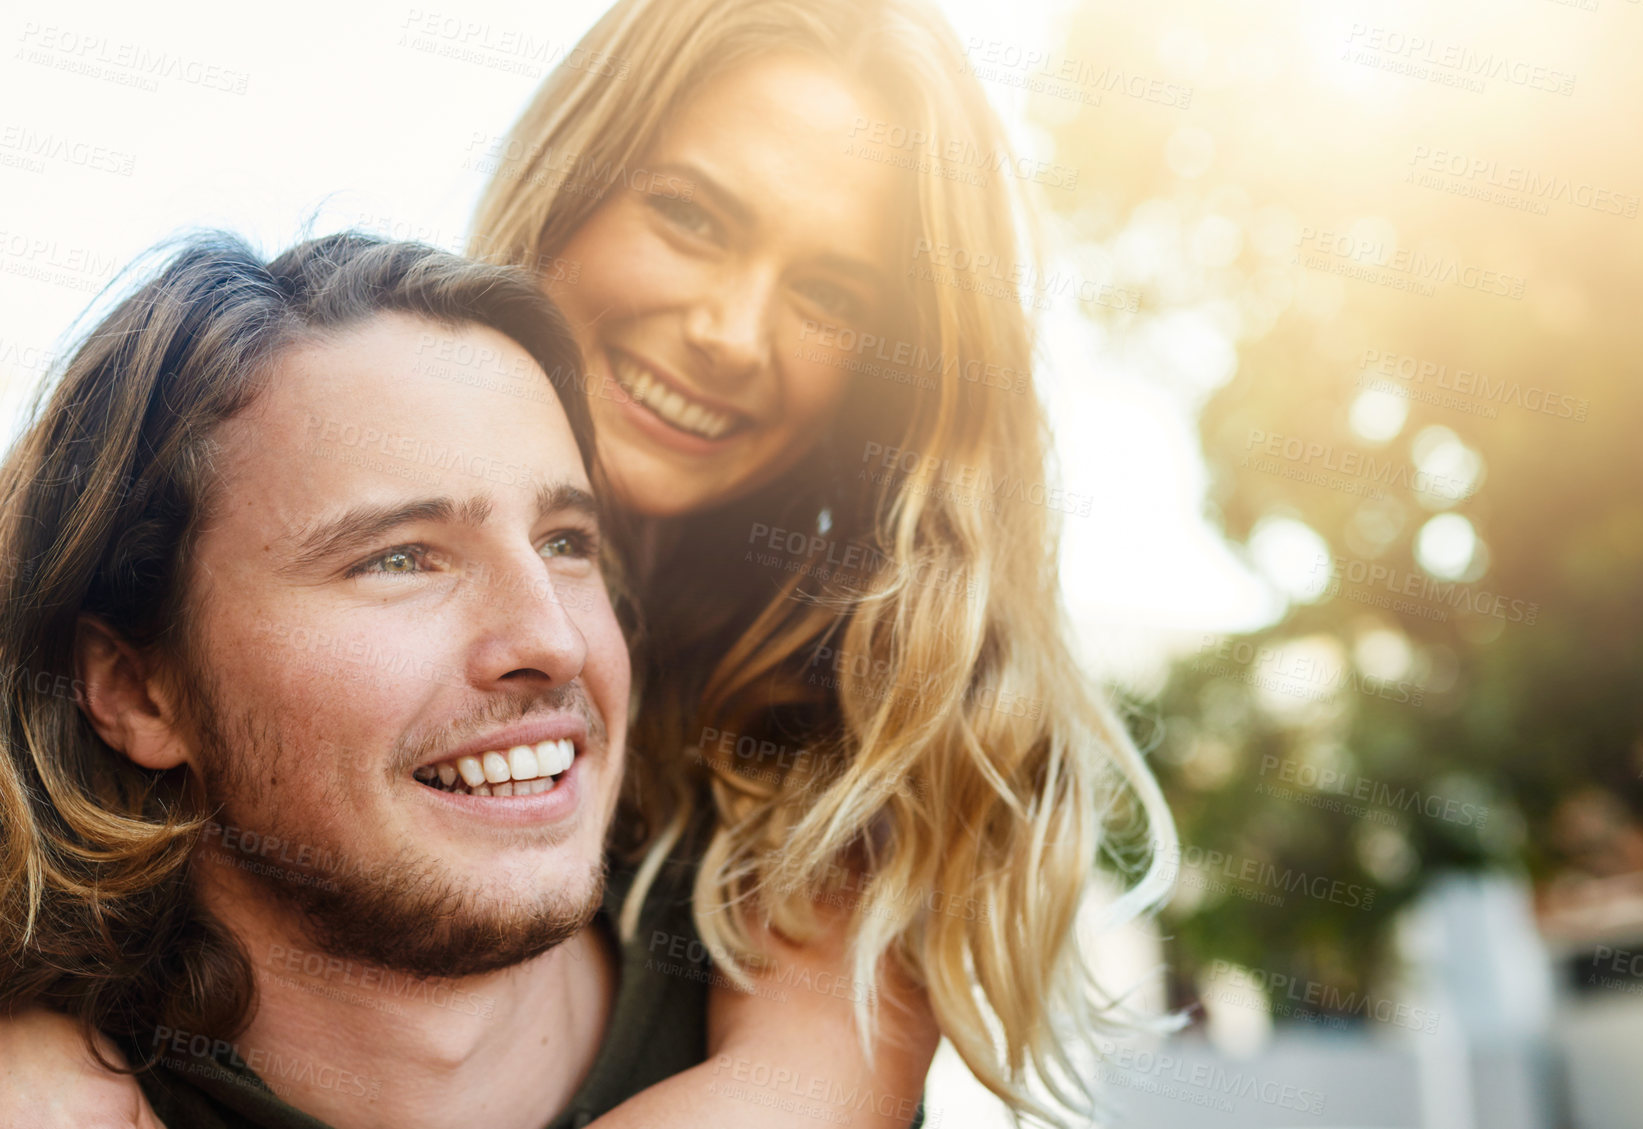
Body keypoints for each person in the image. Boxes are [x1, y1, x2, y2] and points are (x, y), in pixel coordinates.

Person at [2, 0, 1178, 1123]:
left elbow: (800, 1090)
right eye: (692, 218)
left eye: (827, 291)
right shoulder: (283, 401)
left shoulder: (838, 727)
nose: (729, 330)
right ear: (571, 186)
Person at [0, 233, 936, 1129]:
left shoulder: (807, 990)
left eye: (567, 542)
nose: (553, 640)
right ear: (136, 692)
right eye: (402, 557)